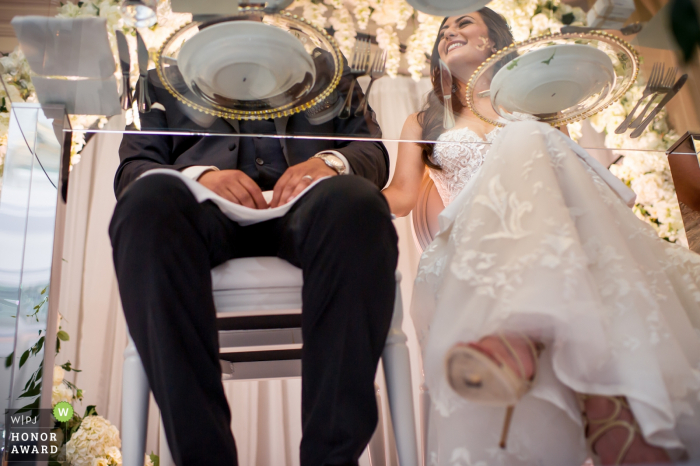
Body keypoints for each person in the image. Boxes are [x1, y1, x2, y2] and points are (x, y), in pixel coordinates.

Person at [383, 9, 700, 466]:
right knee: (527, 137)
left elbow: (575, 181)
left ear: (493, 40)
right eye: (443, 29)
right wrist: (340, 185)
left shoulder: (535, 101)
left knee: (531, 135)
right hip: (472, 248)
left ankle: (526, 343)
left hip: (550, 240)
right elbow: (402, 194)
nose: (449, 31)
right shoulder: (422, 121)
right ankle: (612, 414)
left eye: (463, 23)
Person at [109, 47, 398, 466]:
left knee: (357, 202)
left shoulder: (328, 70)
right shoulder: (159, 80)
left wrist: (329, 163)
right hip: (202, 215)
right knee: (145, 203)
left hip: (310, 211)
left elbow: (371, 151)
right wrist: (201, 177)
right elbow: (133, 168)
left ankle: (332, 458)